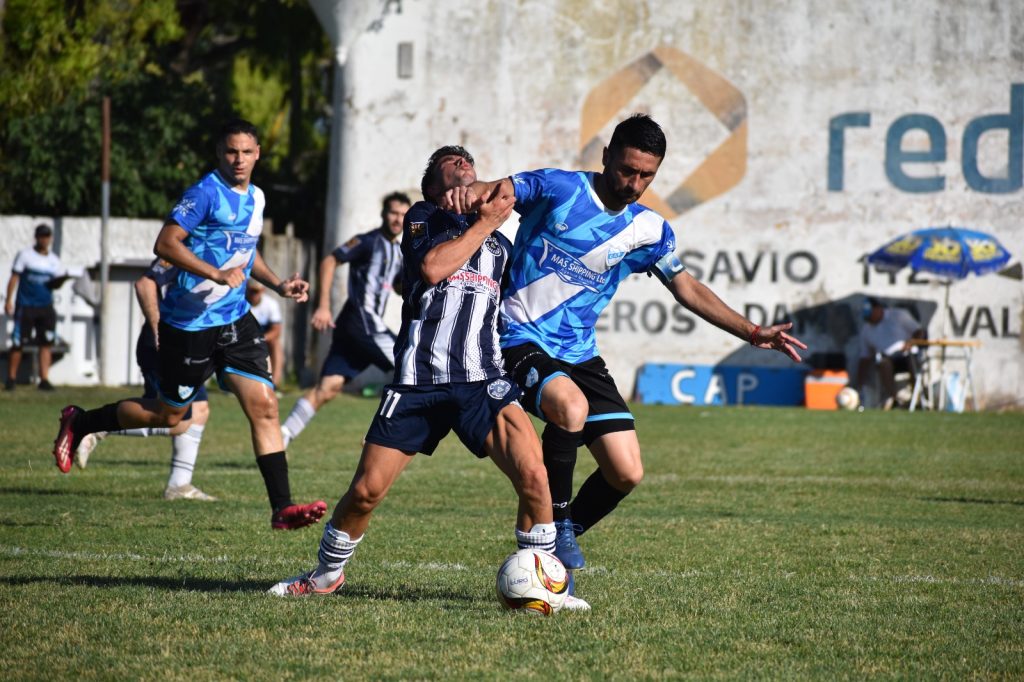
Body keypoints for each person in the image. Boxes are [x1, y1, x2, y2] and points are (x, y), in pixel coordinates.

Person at [443, 114, 807, 582]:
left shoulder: (649, 230)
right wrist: (468, 191)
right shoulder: (560, 188)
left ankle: (566, 525)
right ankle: (549, 539)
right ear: (606, 156)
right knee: (569, 409)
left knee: (626, 471)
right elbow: (503, 189)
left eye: (646, 175)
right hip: (517, 337)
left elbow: (686, 288)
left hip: (580, 353)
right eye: (627, 170)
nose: (634, 183)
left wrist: (752, 333)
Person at [269, 146, 588, 611]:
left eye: (468, 162)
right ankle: (324, 576)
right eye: (450, 163)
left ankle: (545, 588)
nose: (463, 163)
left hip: (483, 380)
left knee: (535, 476)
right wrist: (486, 223)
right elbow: (434, 269)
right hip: (419, 380)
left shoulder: (502, 246)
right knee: (365, 492)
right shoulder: (423, 219)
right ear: (435, 187)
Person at [51, 118, 326, 530]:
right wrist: (213, 274)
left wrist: (279, 284)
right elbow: (165, 243)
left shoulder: (257, 198)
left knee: (266, 407)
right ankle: (82, 421)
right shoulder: (203, 193)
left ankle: (281, 508)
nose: (239, 159)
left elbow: (247, 254)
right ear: (220, 153)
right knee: (170, 416)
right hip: (190, 325)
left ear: (257, 155)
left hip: (235, 321)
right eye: (231, 151)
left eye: (246, 152)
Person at [73, 258, 216, 501]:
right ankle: (93, 427)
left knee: (200, 411)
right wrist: (158, 328)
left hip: (188, 347)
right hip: (163, 347)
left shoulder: (211, 248)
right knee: (175, 420)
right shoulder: (180, 248)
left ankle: (179, 485)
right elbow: (143, 284)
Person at [280, 192, 410, 448]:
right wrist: (324, 306)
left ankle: (281, 436)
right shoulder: (367, 241)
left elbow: (397, 287)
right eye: (394, 213)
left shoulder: (398, 250)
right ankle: (379, 435)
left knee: (328, 387)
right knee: (409, 363)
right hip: (361, 321)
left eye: (403, 215)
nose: (397, 219)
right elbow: (330, 260)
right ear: (383, 213)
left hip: (358, 329)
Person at [5, 223, 71, 391]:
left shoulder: (54, 261)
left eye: (47, 236)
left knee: (46, 342)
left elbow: (55, 285)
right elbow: (14, 278)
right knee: (18, 342)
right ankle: (11, 379)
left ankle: (44, 379)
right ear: (36, 237)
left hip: (45, 307)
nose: (44, 239)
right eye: (41, 236)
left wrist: (63, 279)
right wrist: (8, 300)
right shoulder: (25, 256)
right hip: (25, 305)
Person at [853, 296, 925, 410]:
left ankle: (918, 399)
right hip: (889, 359)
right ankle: (895, 400)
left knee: (913, 363)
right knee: (883, 364)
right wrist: (859, 384)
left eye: (870, 314)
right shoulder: (866, 329)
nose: (869, 319)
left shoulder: (898, 315)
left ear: (878, 309)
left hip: (907, 354)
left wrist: (910, 343)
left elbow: (919, 331)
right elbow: (865, 358)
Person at [246, 279, 284, 389]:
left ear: (262, 290)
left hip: (262, 338)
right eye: (251, 291)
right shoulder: (242, 303)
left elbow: (276, 330)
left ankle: (275, 383)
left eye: (256, 291)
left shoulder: (271, 304)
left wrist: (261, 339)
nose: (253, 294)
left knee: (275, 344)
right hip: (244, 339)